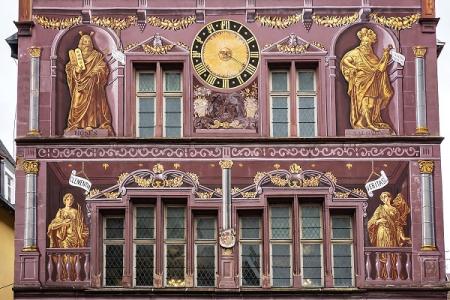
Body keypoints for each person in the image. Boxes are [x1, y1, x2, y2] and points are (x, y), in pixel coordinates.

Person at [340, 28, 394, 132]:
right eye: (364, 42)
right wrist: (354, 67)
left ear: (370, 44)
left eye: (368, 42)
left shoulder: (373, 57)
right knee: (364, 103)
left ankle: (364, 122)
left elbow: (380, 69)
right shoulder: (356, 52)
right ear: (361, 42)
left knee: (371, 104)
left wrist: (386, 55)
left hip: (373, 82)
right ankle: (369, 124)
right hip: (361, 82)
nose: (365, 44)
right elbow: (345, 61)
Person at [65, 32, 113, 134]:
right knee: (76, 104)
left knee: (92, 105)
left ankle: (90, 125)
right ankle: (76, 124)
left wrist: (93, 74)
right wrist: (75, 70)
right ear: (81, 43)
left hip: (92, 84)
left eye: (88, 41)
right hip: (79, 85)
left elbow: (102, 67)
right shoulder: (76, 55)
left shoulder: (96, 55)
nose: (87, 43)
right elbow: (69, 67)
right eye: (84, 41)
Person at [367, 192, 411, 279]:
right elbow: (370, 223)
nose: (385, 199)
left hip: (392, 234)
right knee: (382, 254)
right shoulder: (380, 209)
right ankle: (382, 276)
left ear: (390, 197)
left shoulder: (395, 210)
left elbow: (398, 225)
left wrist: (402, 237)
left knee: (393, 255)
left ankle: (393, 276)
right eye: (383, 197)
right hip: (382, 233)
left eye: (386, 196)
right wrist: (378, 221)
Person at [47, 193, 89, 280]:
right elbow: (54, 224)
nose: (69, 201)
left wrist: (83, 233)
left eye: (71, 200)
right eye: (68, 199)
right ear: (65, 200)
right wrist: (63, 223)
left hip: (75, 237)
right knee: (65, 256)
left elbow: (80, 224)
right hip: (64, 237)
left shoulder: (76, 211)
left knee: (74, 258)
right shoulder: (61, 211)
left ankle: (73, 276)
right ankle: (65, 275)